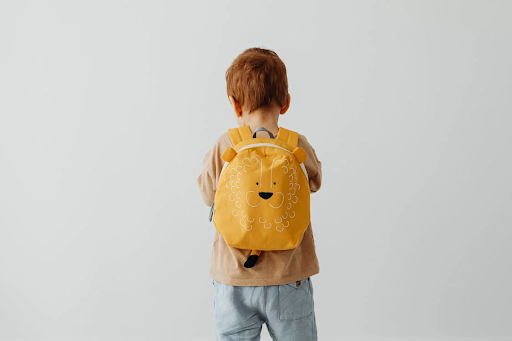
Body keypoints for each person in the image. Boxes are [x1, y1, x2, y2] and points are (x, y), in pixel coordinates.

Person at [197, 47, 322, 341]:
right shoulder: (296, 144)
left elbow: (206, 195)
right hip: (290, 278)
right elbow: (314, 183)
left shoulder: (225, 144)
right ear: (286, 103)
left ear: (235, 104)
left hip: (233, 278)